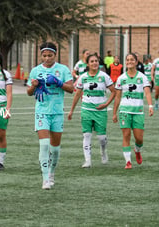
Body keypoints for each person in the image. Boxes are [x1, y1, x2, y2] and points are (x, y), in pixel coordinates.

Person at [26, 42, 74, 190]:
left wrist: (58, 82)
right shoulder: (35, 70)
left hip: (57, 112)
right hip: (41, 112)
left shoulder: (63, 69)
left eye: (50, 55)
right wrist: (33, 86)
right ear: (41, 55)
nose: (47, 58)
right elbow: (29, 92)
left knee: (55, 149)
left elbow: (71, 89)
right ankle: (45, 178)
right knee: (44, 145)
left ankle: (52, 173)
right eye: (44, 55)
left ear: (55, 55)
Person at [67, 54, 116, 168]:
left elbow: (114, 91)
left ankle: (103, 152)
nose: (94, 63)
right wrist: (71, 111)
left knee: (101, 138)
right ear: (88, 64)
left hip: (100, 111)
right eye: (92, 61)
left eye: (96, 61)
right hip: (86, 110)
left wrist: (106, 104)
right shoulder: (83, 77)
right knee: (87, 135)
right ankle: (87, 160)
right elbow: (77, 94)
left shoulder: (104, 76)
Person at [113, 53, 153, 169]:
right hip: (124, 111)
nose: (129, 61)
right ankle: (128, 161)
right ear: (125, 62)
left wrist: (150, 106)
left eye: (132, 60)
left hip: (138, 111)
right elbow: (117, 97)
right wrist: (114, 113)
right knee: (126, 135)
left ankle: (137, 149)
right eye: (127, 60)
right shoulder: (121, 78)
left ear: (136, 62)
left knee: (139, 138)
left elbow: (147, 92)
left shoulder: (142, 77)